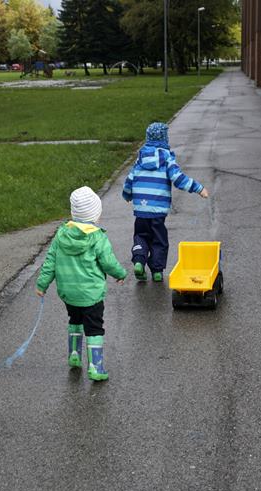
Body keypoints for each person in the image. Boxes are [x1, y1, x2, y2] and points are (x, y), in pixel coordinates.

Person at [36, 186, 127, 381]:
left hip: (69, 294)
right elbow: (108, 262)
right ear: (95, 214)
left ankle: (74, 355)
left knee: (75, 320)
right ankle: (96, 367)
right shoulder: (97, 237)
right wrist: (120, 273)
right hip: (91, 294)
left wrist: (42, 284)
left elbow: (50, 262)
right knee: (94, 327)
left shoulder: (61, 235)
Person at [122, 122, 209, 282]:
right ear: (164, 139)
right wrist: (198, 188)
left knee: (140, 236)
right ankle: (157, 271)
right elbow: (179, 179)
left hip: (141, 209)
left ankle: (139, 261)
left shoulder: (140, 158)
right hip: (158, 210)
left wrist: (127, 195)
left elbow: (130, 179)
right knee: (159, 240)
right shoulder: (167, 158)